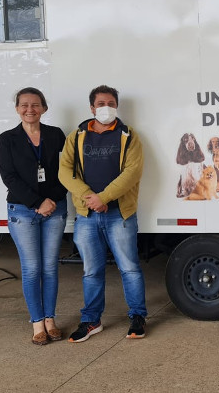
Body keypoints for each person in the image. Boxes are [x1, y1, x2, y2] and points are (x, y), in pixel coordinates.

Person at [58, 85, 147, 342]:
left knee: (129, 268)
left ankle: (138, 317)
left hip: (120, 214)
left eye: (110, 102)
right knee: (91, 271)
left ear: (116, 106)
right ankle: (91, 321)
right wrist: (91, 199)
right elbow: (65, 171)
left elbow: (132, 172)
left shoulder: (129, 136)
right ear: (91, 108)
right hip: (87, 215)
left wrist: (104, 198)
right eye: (100, 103)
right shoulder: (76, 136)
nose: (105, 107)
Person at [0, 87, 68, 345]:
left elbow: (68, 169)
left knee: (50, 268)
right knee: (31, 269)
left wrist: (52, 200)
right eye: (24, 105)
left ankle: (50, 320)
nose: (30, 109)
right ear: (17, 108)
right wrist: (38, 202)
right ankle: (37, 323)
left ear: (44, 108)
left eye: (35, 105)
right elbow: (9, 177)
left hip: (55, 208)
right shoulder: (7, 139)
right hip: (22, 211)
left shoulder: (56, 135)